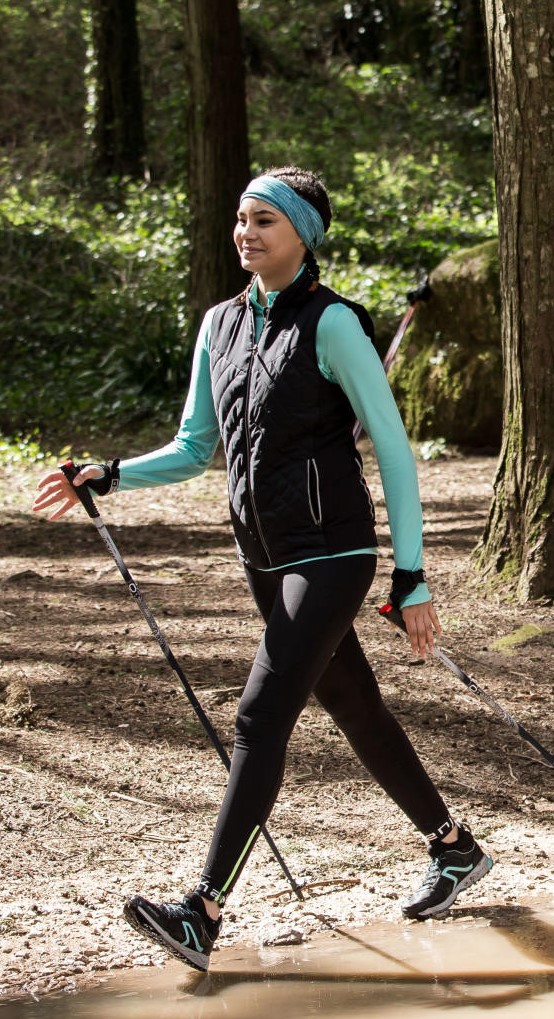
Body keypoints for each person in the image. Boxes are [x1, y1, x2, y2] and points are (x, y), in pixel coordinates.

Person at [32, 166, 493, 972]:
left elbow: (392, 449)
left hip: (334, 551)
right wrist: (107, 473)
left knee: (257, 718)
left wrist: (411, 574)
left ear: (303, 236)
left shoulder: (334, 322)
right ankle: (452, 846)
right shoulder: (220, 325)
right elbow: (193, 449)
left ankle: (202, 911)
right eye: (241, 219)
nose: (246, 233)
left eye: (265, 222)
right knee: (353, 702)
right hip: (264, 557)